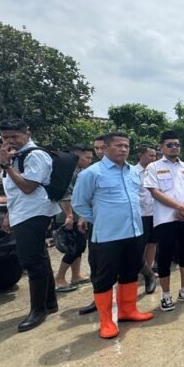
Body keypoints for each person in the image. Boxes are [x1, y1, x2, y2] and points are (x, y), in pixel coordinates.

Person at [71, 132, 153, 339]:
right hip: (107, 236)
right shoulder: (92, 173)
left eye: (126, 145)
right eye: (118, 145)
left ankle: (128, 311)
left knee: (129, 273)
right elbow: (79, 203)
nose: (124, 149)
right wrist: (100, 219)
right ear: (105, 148)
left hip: (134, 232)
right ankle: (106, 321)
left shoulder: (133, 172)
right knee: (104, 278)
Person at [0, 118, 61, 332]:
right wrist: (9, 214)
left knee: (32, 261)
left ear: (27, 133)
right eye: (5, 137)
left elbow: (28, 187)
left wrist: (5, 164)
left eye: (14, 136)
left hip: (35, 212)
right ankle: (49, 303)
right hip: (22, 212)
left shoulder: (36, 155)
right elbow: (13, 192)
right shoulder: (16, 157)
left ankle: (38, 310)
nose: (9, 141)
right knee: (39, 257)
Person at [144, 131, 184, 311]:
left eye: (177, 144)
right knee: (165, 257)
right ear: (161, 147)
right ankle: (166, 295)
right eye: (170, 145)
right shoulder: (153, 167)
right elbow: (155, 192)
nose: (174, 147)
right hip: (165, 220)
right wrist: (179, 208)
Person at [53, 144, 94, 291]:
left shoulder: (80, 171)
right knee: (75, 247)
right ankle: (59, 278)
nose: (89, 161)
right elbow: (66, 195)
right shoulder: (69, 172)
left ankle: (76, 275)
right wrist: (69, 216)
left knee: (79, 245)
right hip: (69, 215)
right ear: (76, 156)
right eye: (87, 157)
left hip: (78, 214)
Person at [77, 134, 108, 316]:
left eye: (103, 147)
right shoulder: (90, 172)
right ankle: (99, 300)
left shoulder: (128, 171)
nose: (99, 152)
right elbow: (81, 200)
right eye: (97, 148)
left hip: (123, 226)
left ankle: (149, 276)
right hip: (98, 226)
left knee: (130, 261)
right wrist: (86, 217)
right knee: (97, 264)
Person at [134, 144, 159, 294]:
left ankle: (148, 272)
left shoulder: (155, 171)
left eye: (155, 156)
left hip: (154, 213)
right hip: (139, 214)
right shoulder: (133, 172)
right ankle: (138, 271)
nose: (153, 159)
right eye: (150, 156)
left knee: (152, 244)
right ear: (141, 155)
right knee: (139, 245)